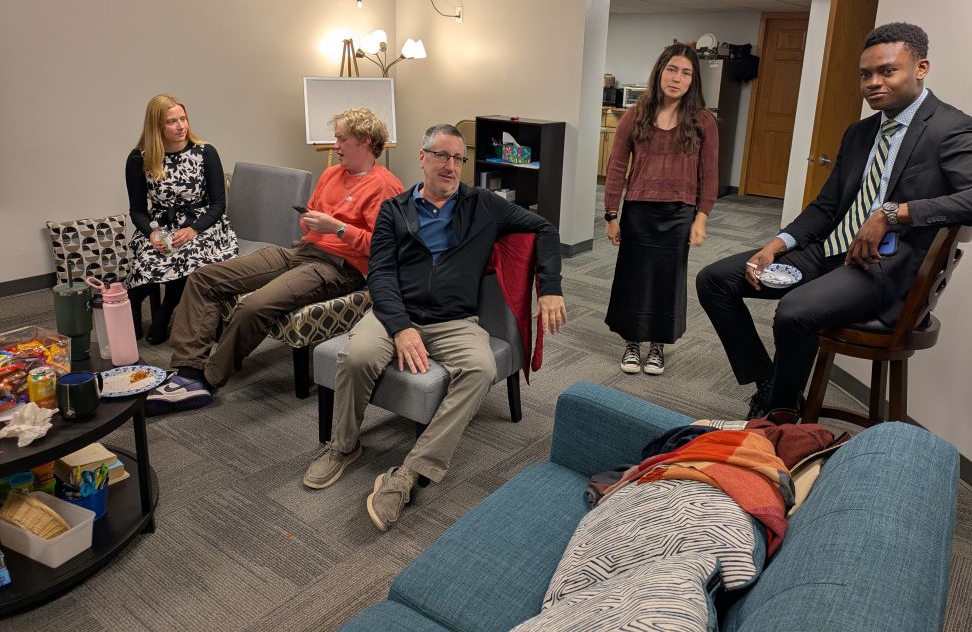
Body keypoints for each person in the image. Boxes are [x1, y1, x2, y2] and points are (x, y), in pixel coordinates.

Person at [696, 22, 972, 420]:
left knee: (794, 310)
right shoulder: (859, 133)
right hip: (828, 253)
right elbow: (825, 207)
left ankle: (781, 413)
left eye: (887, 71)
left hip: (882, 268)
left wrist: (892, 214)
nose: (873, 82)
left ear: (921, 68)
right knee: (715, 280)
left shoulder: (950, 128)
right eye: (865, 74)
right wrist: (777, 245)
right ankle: (768, 380)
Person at [302, 123, 568, 532]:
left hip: (454, 319)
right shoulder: (394, 209)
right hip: (395, 312)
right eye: (442, 156)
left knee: (481, 368)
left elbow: (545, 228)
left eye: (459, 158)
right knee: (356, 355)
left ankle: (410, 473)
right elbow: (381, 274)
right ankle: (343, 446)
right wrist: (400, 326)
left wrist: (549, 289)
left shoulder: (483, 204)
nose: (450, 165)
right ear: (422, 157)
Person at [148, 107, 404, 413]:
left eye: (341, 139)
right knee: (204, 278)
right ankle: (187, 368)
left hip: (338, 267)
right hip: (300, 251)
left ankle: (207, 379)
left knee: (253, 306)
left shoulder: (386, 187)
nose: (335, 146)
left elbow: (383, 247)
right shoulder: (332, 174)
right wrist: (309, 221)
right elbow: (311, 214)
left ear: (364, 141)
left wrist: (337, 228)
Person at [603, 43, 719, 376]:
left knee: (668, 280)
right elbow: (615, 167)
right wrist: (612, 214)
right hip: (638, 211)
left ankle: (657, 345)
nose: (677, 78)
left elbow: (708, 174)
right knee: (634, 278)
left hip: (679, 214)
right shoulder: (635, 115)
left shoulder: (703, 122)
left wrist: (701, 218)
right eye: (672, 70)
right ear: (660, 71)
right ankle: (632, 342)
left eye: (685, 73)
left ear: (692, 80)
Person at [125, 94, 238, 345]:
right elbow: (137, 211)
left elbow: (219, 204)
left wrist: (194, 230)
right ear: (157, 127)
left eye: (183, 119)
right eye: (172, 121)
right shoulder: (138, 159)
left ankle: (164, 312)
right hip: (160, 225)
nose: (181, 126)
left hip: (204, 225)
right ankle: (133, 309)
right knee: (145, 263)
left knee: (186, 255)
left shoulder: (205, 152)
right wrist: (151, 233)